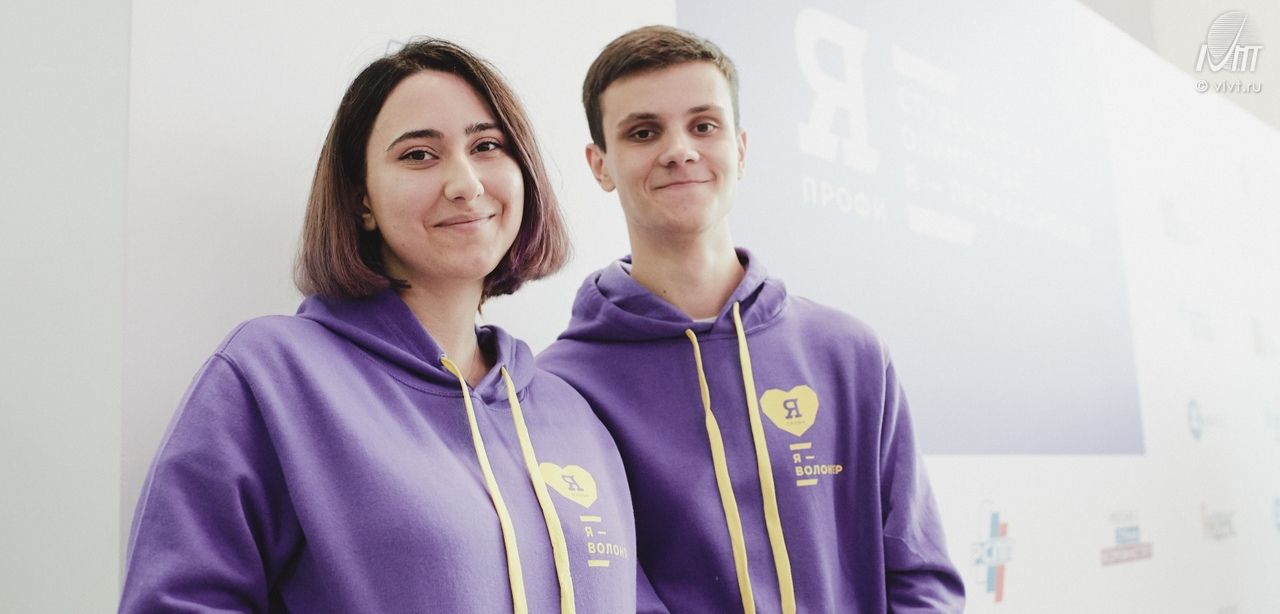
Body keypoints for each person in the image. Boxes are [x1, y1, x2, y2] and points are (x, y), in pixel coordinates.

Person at [120, 39, 637, 613]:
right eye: (419, 154)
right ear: (361, 199)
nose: (465, 183)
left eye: (487, 145)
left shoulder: (572, 415)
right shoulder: (271, 376)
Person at [538, 25, 965, 613]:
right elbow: (608, 595)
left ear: (740, 148)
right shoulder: (559, 390)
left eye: (703, 126)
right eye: (643, 132)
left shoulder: (849, 352)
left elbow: (920, 577)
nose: (680, 150)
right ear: (600, 164)